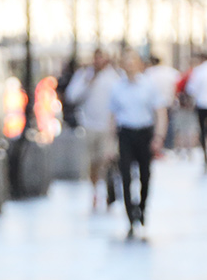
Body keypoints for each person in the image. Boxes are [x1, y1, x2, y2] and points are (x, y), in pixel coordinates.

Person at [110, 54, 162, 239]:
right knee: (125, 175)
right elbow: (112, 115)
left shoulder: (149, 85)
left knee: (145, 174)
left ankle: (142, 208)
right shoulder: (117, 87)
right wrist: (112, 142)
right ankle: (130, 214)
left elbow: (159, 111)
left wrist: (158, 136)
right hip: (126, 133)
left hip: (144, 133)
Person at [65, 50, 122, 209]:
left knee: (106, 159)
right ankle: (95, 191)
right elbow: (72, 96)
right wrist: (88, 82)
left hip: (107, 126)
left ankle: (107, 190)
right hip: (88, 124)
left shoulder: (115, 77)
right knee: (93, 161)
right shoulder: (84, 75)